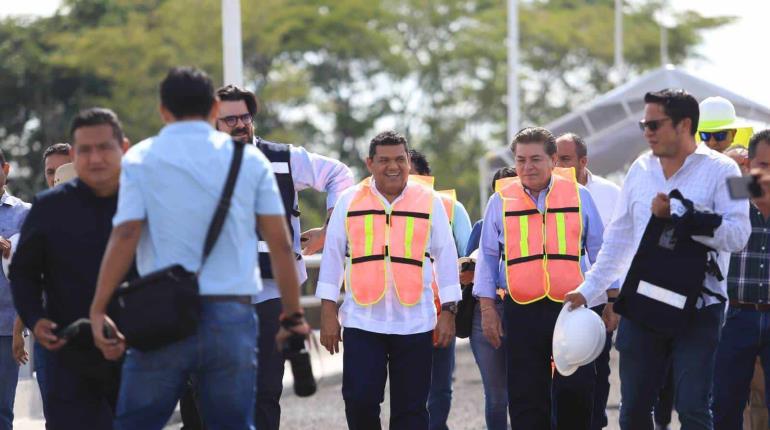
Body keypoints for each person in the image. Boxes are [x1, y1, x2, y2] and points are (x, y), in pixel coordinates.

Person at [88, 67, 308, 430]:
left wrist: (98, 309)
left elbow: (125, 236)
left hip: (162, 316)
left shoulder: (141, 159)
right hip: (231, 316)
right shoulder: (249, 160)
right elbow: (282, 246)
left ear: (163, 110)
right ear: (213, 108)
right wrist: (293, 315)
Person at [565, 89, 751, 430]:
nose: (647, 131)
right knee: (633, 411)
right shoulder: (639, 169)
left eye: (654, 124)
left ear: (684, 125)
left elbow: (739, 235)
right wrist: (588, 288)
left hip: (699, 308)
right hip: (643, 304)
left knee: (693, 408)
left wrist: (681, 213)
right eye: (643, 124)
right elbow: (617, 238)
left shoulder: (725, 171)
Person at [215, 84, 353, 430]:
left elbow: (340, 174)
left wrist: (329, 230)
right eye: (229, 119)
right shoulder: (199, 164)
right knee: (216, 392)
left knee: (265, 391)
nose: (239, 124)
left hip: (272, 295)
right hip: (218, 296)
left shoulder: (283, 158)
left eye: (245, 116)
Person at [316, 131, 461, 430]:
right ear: (370, 163)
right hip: (362, 321)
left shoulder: (430, 201)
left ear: (408, 161)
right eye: (383, 160)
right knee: (359, 400)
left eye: (399, 159)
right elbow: (331, 257)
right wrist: (328, 312)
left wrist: (449, 311)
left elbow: (446, 257)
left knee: (412, 411)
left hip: (416, 322)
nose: (392, 166)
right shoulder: (349, 200)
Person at [475, 126, 606, 429]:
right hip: (521, 311)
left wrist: (610, 299)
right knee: (525, 397)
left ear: (552, 161)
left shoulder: (579, 196)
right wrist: (487, 309)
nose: (527, 167)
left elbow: (600, 250)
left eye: (535, 159)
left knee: (576, 390)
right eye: (520, 160)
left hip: (571, 309)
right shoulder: (500, 201)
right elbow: (488, 258)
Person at [9, 108, 128, 429]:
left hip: (126, 346)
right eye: (86, 149)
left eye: (104, 147)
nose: (95, 157)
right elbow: (23, 273)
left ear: (123, 148)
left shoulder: (138, 201)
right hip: (64, 348)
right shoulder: (48, 208)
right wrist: (34, 319)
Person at [555, 132, 621, 430]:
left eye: (565, 160)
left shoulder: (610, 194)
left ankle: (595, 424)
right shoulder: (544, 193)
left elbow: (619, 249)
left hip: (596, 302)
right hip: (554, 300)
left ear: (584, 161)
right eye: (554, 158)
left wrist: (613, 299)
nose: (558, 165)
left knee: (596, 370)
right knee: (558, 374)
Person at [407, 149, 472, 430]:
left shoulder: (450, 208)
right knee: (408, 384)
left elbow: (468, 256)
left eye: (411, 175)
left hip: (440, 309)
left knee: (440, 385)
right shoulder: (380, 210)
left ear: (426, 177)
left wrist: (453, 306)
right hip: (401, 313)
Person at [713, 129, 770, 429]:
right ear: (749, 164)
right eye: (763, 165)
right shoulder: (733, 192)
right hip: (734, 316)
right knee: (724, 406)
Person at [465, 166, 516, 430]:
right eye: (501, 189)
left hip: (523, 308)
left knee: (527, 390)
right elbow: (467, 267)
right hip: (484, 311)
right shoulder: (482, 226)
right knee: (496, 395)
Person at [0, 149, 31, 430]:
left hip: (6, 327)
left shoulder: (26, 213)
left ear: (5, 169)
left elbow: (35, 272)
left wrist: (20, 328)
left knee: (2, 410)